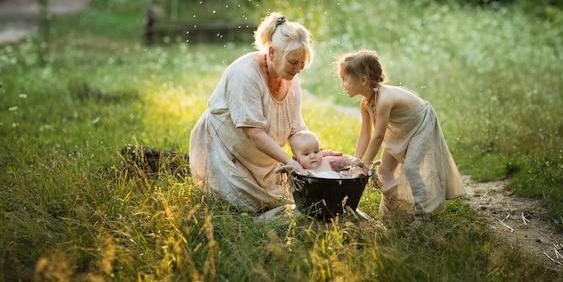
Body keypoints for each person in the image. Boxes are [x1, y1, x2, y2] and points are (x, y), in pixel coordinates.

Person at [189, 12, 314, 212]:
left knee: (291, 206)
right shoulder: (244, 75)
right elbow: (254, 133)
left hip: (264, 159)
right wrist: (289, 162)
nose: (298, 68)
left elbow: (295, 128)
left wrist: (313, 154)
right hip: (226, 152)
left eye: (302, 62)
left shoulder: (291, 79)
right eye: (293, 62)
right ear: (272, 53)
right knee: (244, 210)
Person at [336, 49, 466, 224]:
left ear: (363, 80)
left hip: (420, 125)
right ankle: (397, 211)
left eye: (344, 79)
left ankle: (422, 216)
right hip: (401, 129)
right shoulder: (366, 103)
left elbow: (378, 136)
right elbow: (365, 133)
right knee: (384, 171)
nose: (342, 84)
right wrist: (357, 159)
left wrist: (366, 164)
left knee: (411, 168)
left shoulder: (384, 99)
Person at [290, 130, 366, 179]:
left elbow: (343, 159)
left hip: (337, 185)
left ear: (321, 150)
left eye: (316, 152)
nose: (313, 156)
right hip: (316, 192)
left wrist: (352, 160)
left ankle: (356, 175)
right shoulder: (299, 170)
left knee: (354, 168)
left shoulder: (326, 161)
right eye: (306, 154)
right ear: (295, 159)